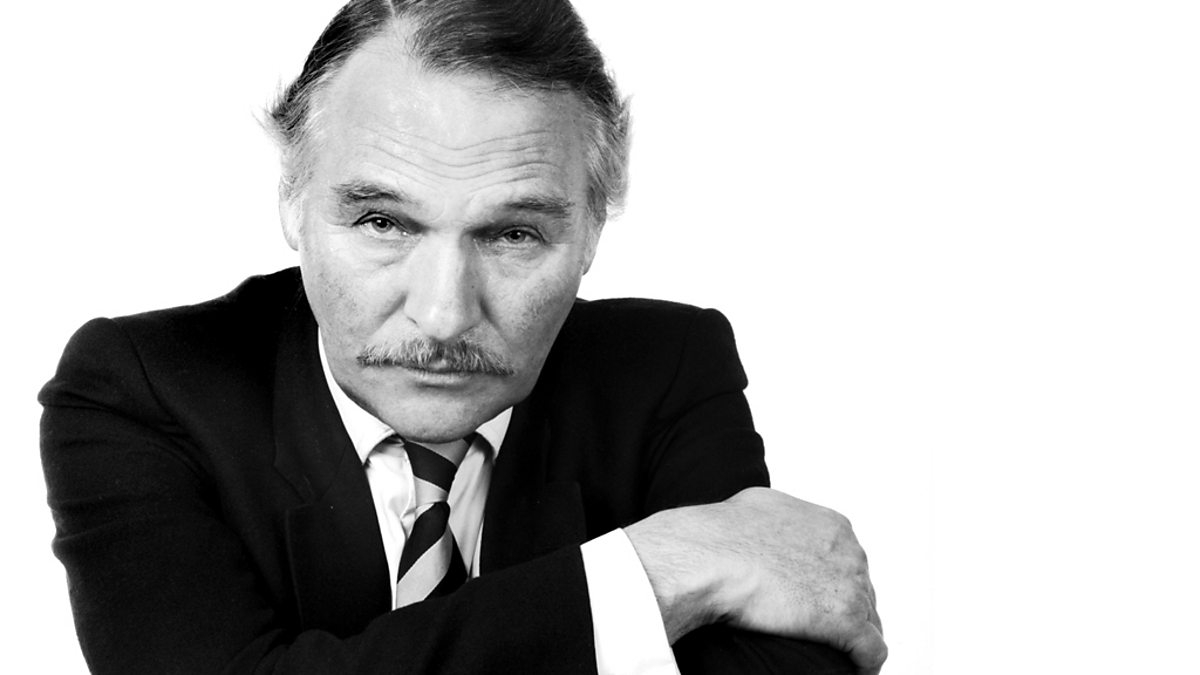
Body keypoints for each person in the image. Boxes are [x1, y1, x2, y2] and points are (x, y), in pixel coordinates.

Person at [39, 1, 886, 673]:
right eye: (382, 221)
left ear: (593, 229)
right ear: (292, 201)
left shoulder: (665, 369)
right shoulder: (141, 389)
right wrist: (652, 572)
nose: (444, 314)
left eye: (513, 234)